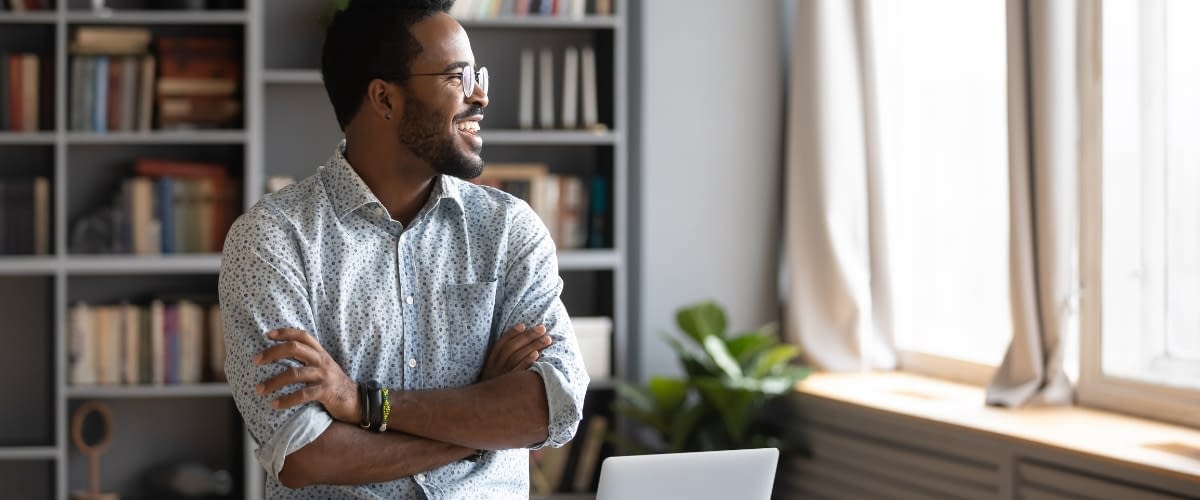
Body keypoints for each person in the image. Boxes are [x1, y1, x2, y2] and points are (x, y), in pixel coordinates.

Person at [217, 0, 589, 497]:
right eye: (457, 77)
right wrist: (482, 419)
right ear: (384, 98)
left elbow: (552, 408)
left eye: (478, 76)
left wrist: (366, 405)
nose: (480, 95)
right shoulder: (272, 239)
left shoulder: (508, 229)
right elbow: (305, 455)